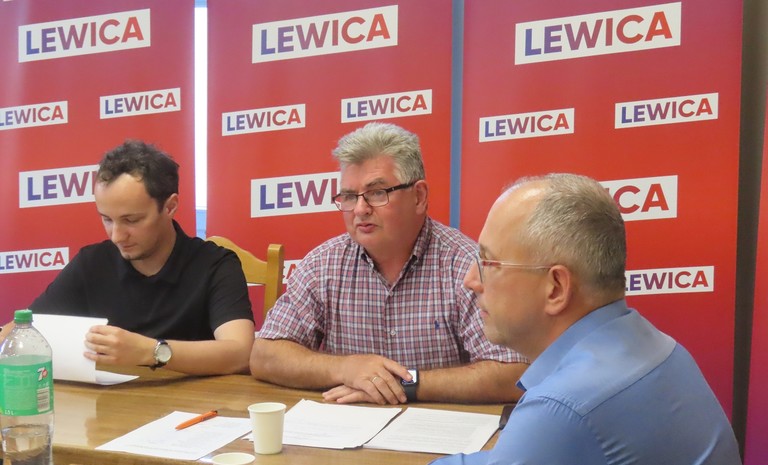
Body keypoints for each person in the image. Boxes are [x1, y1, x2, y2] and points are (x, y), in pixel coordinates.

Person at [431, 173, 741, 465]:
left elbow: (547, 435)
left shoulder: (561, 408)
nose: (471, 280)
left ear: (556, 288)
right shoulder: (659, 347)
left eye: (487, 262)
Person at [250, 122, 528, 405]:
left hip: (437, 427)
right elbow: (264, 355)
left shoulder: (464, 265)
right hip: (346, 426)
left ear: (419, 196)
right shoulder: (323, 265)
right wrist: (345, 368)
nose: (360, 209)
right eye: (349, 196)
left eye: (377, 193)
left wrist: (407, 384)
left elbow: (513, 373)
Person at [15, 140, 254, 376]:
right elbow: (22, 332)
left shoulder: (215, 265)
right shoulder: (91, 263)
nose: (117, 236)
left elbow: (241, 354)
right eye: (107, 219)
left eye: (131, 220)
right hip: (111, 399)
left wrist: (150, 352)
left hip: (195, 399)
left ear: (170, 207)